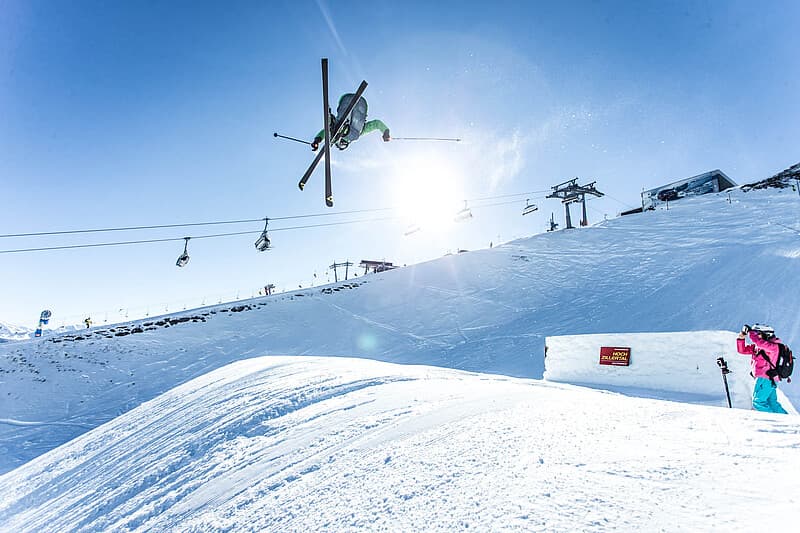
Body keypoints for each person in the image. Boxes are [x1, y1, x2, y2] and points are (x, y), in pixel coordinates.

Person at [736, 324, 788, 414]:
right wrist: (741, 339)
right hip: (768, 379)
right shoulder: (760, 347)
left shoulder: (773, 346)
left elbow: (759, 343)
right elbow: (742, 350)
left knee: (758, 402)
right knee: (773, 404)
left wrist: (751, 333)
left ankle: (777, 421)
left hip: (765, 378)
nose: (756, 336)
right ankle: (790, 422)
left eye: (758, 333)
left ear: (766, 334)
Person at [311, 93, 390, 151]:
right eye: (343, 145)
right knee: (352, 134)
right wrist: (386, 131)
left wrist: (317, 140)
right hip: (358, 104)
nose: (342, 143)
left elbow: (326, 131)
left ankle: (331, 119)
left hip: (348, 102)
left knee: (334, 130)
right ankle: (331, 120)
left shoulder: (337, 131)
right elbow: (376, 124)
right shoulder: (360, 131)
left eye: (340, 144)